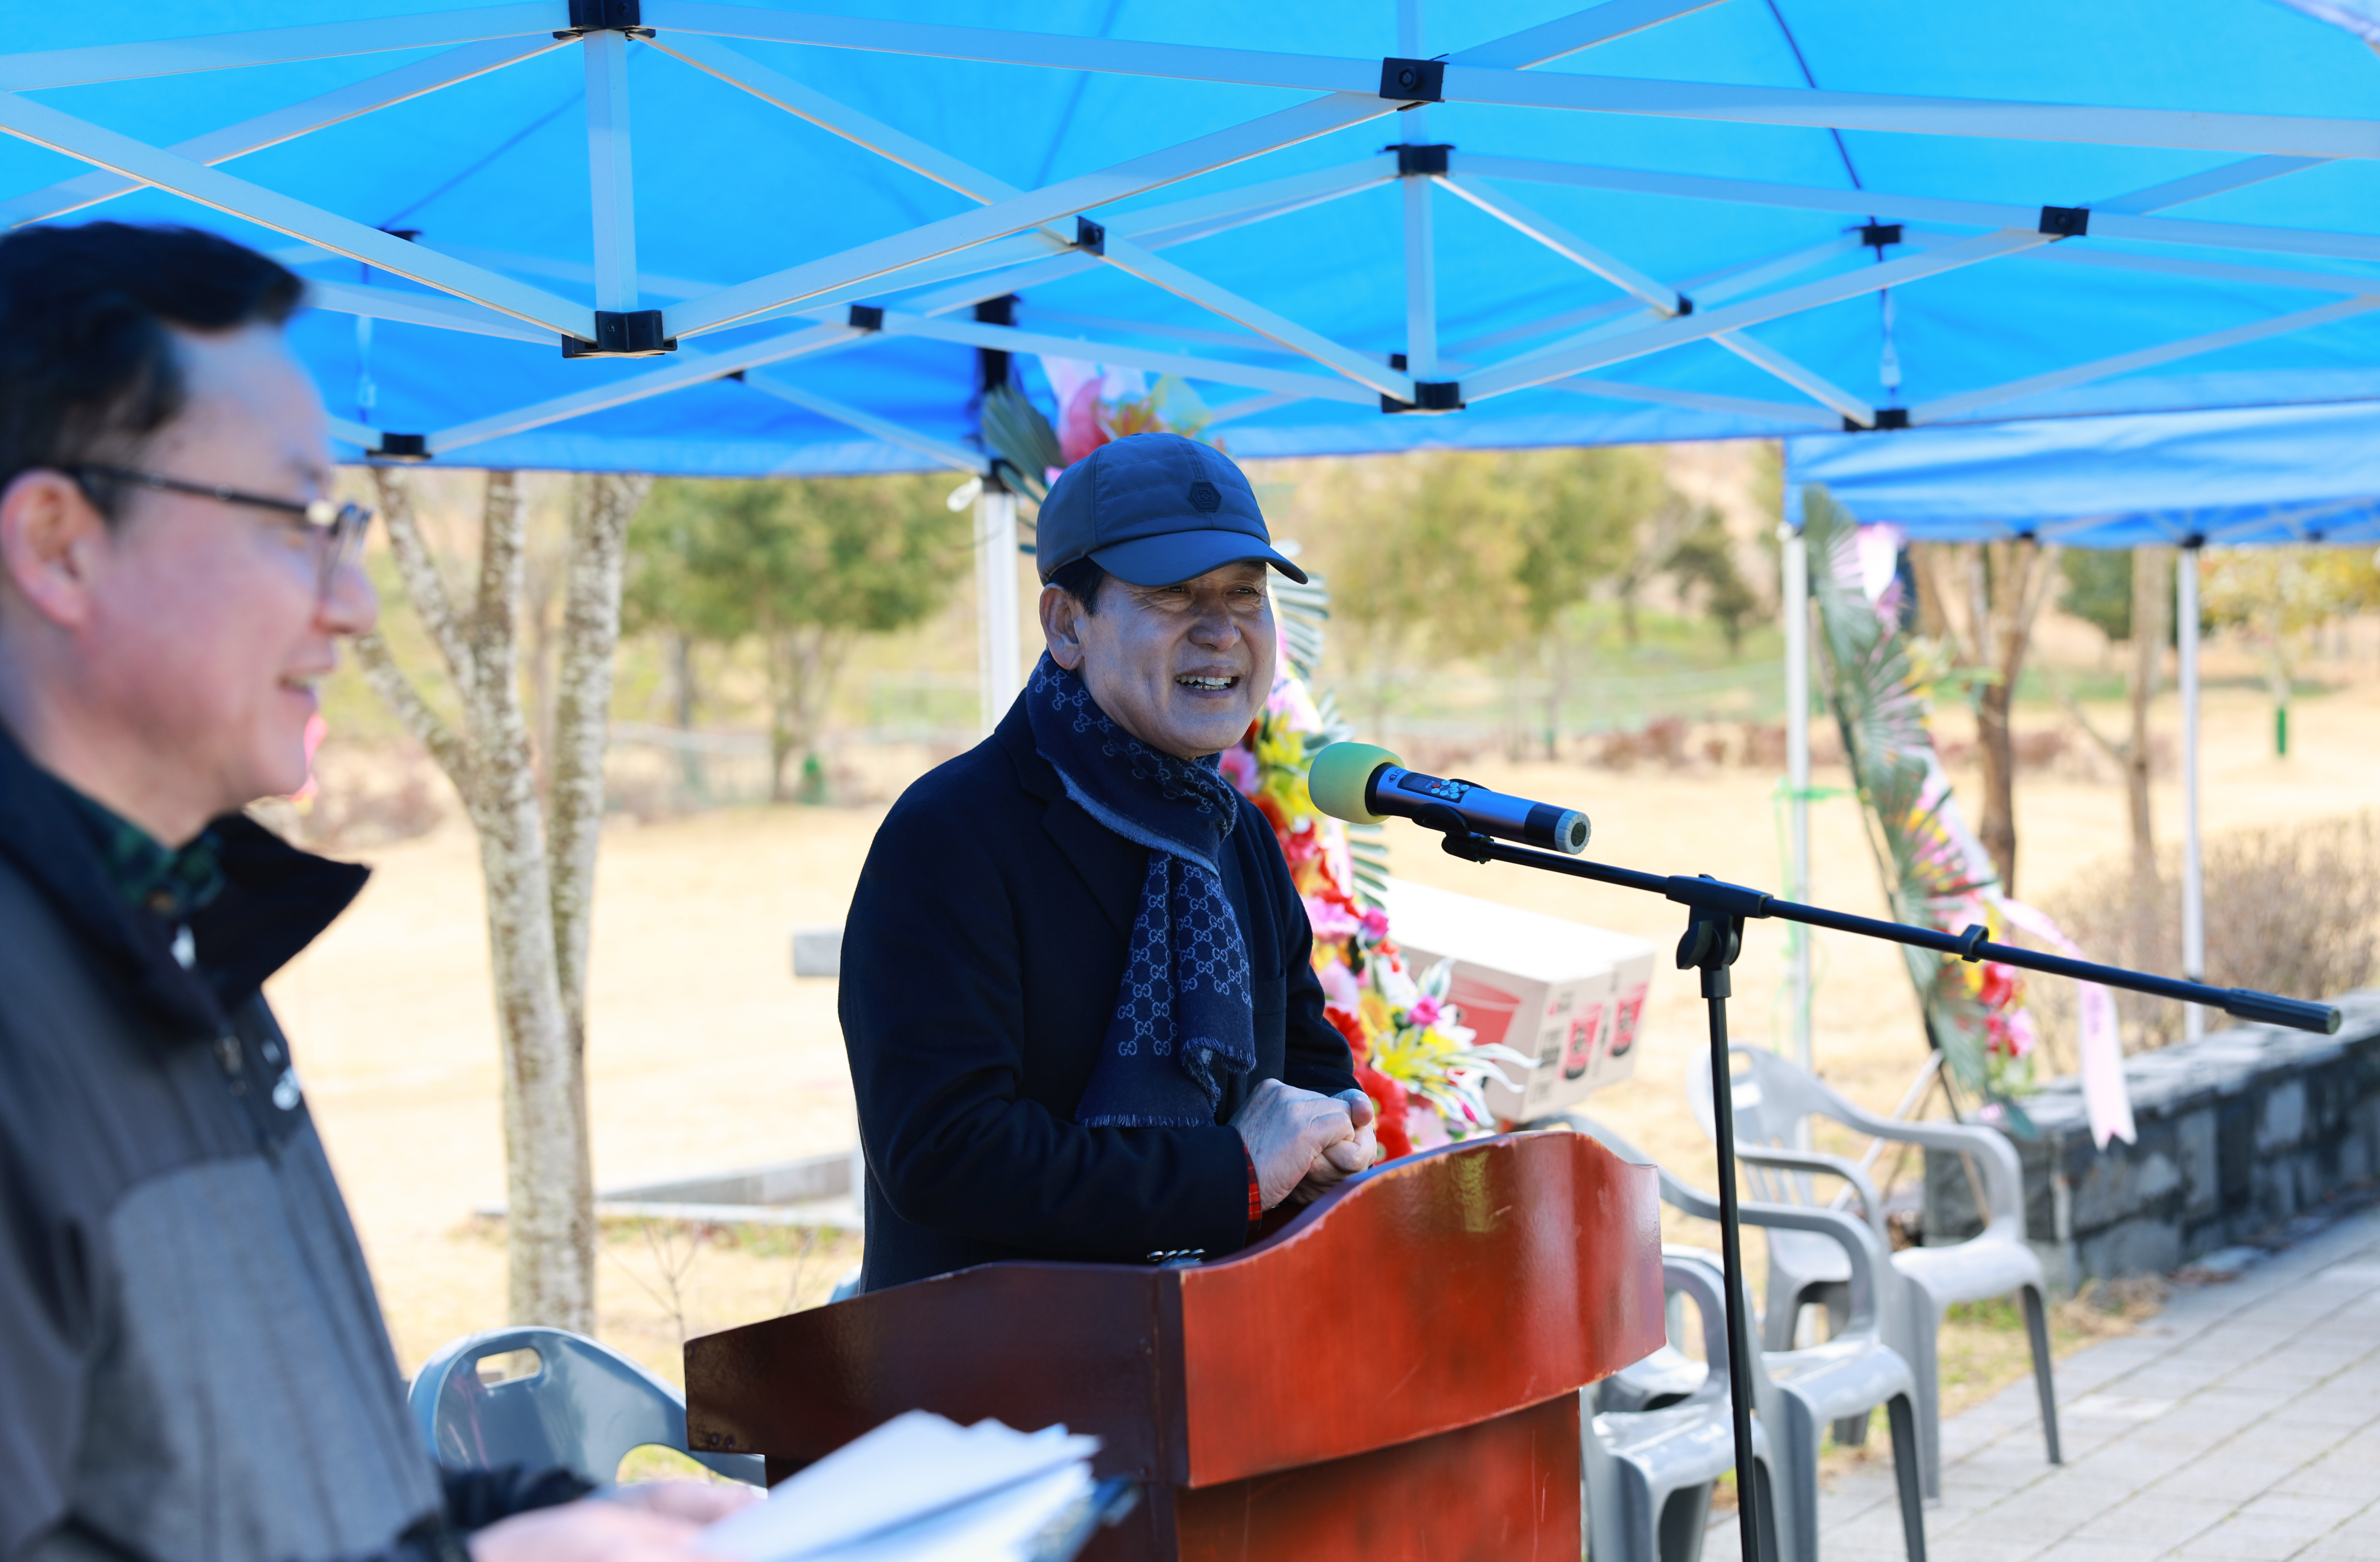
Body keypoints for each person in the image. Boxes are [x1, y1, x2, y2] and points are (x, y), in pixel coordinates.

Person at [0, 223, 745, 1562]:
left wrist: (579, 1516)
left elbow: (294, 1491)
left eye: (345, 526)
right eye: (295, 522)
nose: (351, 603)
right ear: (59, 545)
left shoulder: (179, 946)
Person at [841, 433, 1376, 1291]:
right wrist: (1231, 1169)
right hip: (992, 1384)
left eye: (1245, 594)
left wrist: (1332, 1133)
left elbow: (1308, 1068)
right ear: (1066, 624)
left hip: (1220, 1355)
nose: (1220, 631)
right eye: (1171, 594)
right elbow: (944, 1152)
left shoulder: (1237, 832)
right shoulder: (950, 834)